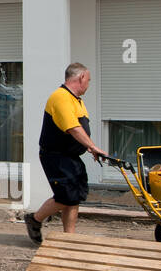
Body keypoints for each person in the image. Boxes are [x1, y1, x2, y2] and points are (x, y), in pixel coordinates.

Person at [23, 63, 107, 243]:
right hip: (56, 156)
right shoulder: (60, 97)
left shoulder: (76, 100)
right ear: (81, 78)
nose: (89, 84)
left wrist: (88, 147)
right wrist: (92, 147)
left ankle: (69, 238)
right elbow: (73, 128)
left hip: (70, 156)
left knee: (74, 197)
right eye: (89, 80)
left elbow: (81, 129)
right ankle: (34, 219)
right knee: (65, 196)